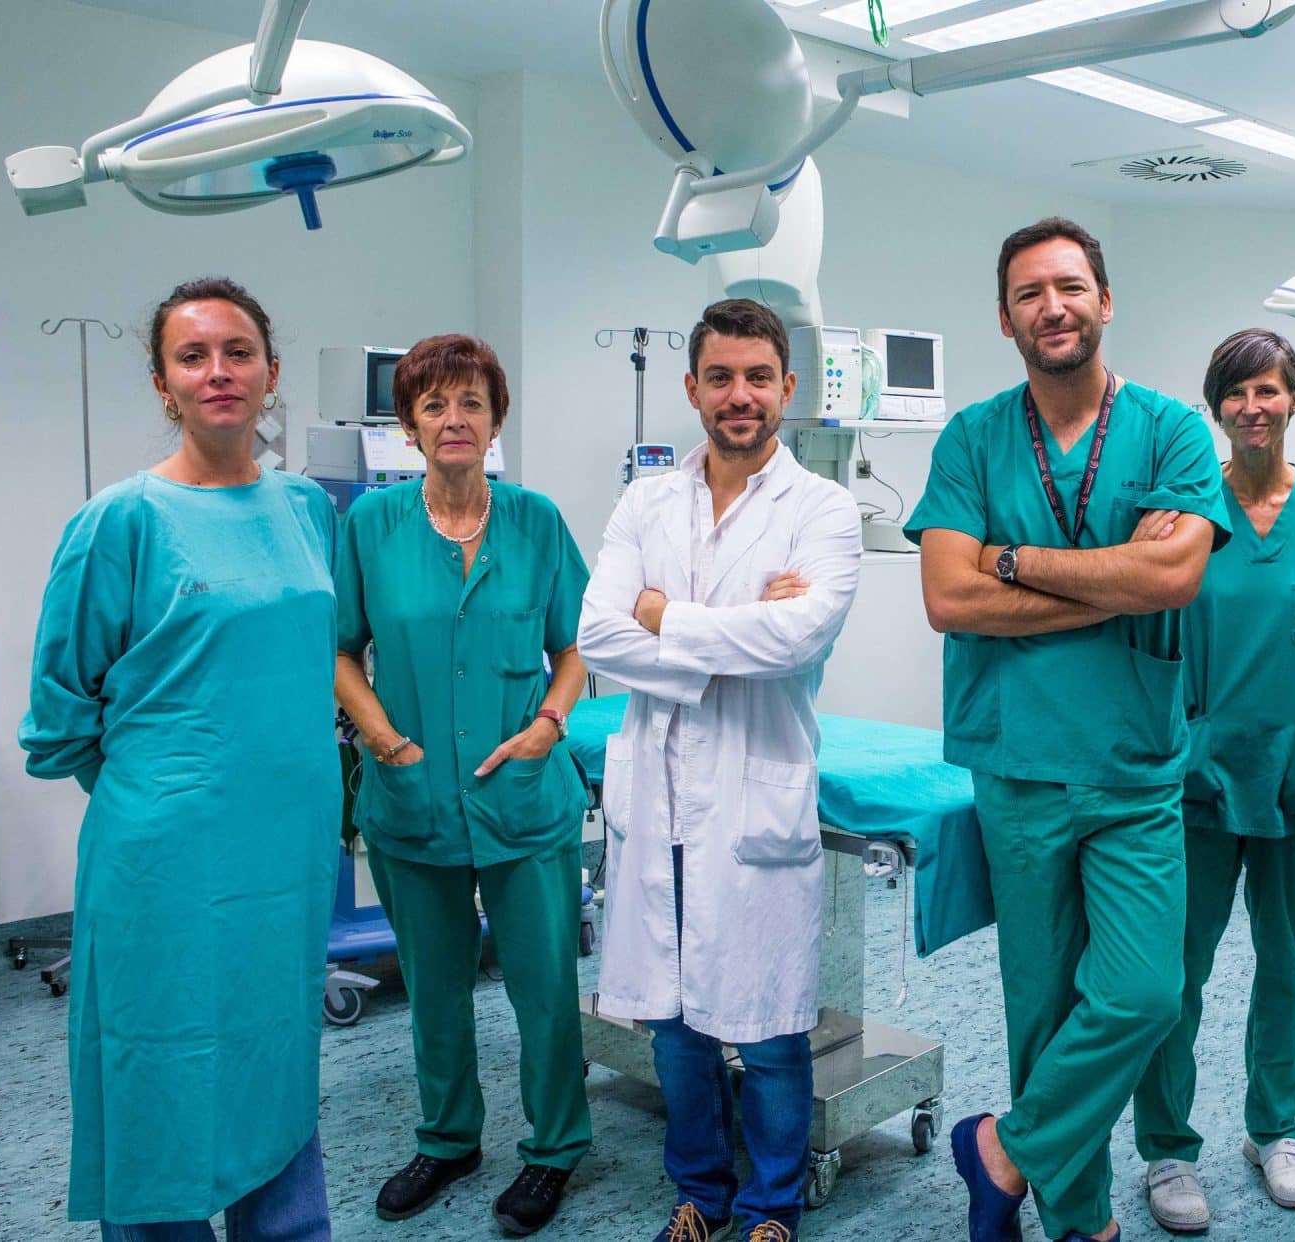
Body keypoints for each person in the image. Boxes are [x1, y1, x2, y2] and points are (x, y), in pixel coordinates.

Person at [905, 217, 1230, 1242]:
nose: (1053, 306)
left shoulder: (1172, 430)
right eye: (1030, 292)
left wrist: (1012, 558)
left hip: (1132, 767)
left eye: (1070, 286)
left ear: (1104, 299)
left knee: (1142, 992)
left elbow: (1173, 573)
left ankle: (1000, 1149)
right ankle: (1078, 1222)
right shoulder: (971, 437)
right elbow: (946, 600)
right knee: (1041, 1012)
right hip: (1019, 765)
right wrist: (1110, 586)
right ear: (1005, 319)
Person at [20, 277, 339, 1240]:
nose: (218, 372)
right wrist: (171, 792)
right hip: (164, 868)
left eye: (237, 352)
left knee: (274, 1061)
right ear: (163, 383)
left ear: (271, 372)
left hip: (283, 864)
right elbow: (59, 720)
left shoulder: (304, 508)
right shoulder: (118, 522)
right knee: (161, 1068)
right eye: (192, 356)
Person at [578, 298, 863, 1242]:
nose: (738, 396)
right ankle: (699, 1191)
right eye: (720, 377)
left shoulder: (822, 510)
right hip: (655, 794)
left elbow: (798, 637)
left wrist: (665, 616)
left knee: (772, 1028)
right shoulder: (644, 499)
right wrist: (734, 624)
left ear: (786, 387)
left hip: (757, 787)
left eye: (757, 377)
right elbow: (595, 638)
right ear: (693, 387)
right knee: (674, 1022)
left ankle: (771, 1203)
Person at [332, 333, 592, 1235]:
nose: (453, 420)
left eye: (471, 403)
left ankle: (556, 1149)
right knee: (434, 988)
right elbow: (335, 649)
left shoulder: (538, 522)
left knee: (545, 990)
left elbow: (575, 647)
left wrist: (550, 724)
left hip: (526, 799)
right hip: (412, 800)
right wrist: (380, 736)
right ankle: (448, 1139)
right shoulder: (369, 527)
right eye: (434, 405)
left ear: (494, 420)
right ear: (408, 426)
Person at [1129, 329, 1295, 1233]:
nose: (1253, 408)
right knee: (1175, 970)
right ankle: (1167, 1148)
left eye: (1269, 390)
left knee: (1290, 959)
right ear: (1216, 408)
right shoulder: (1188, 509)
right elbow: (1147, 621)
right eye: (1236, 394)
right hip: (1196, 775)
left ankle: (1275, 1128)